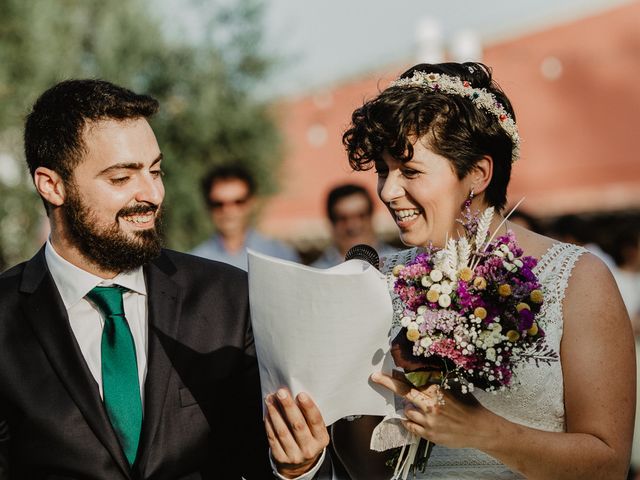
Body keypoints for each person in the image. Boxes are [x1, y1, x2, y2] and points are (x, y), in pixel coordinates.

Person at [0, 79, 328, 479]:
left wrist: (297, 467)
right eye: (121, 178)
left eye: (155, 171)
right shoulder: (5, 316)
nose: (152, 194)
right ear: (52, 185)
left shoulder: (228, 298)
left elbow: (258, 456)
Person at [328, 62, 634, 479]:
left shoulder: (578, 279)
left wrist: (483, 430)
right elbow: (371, 468)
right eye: (383, 170)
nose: (387, 191)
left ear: (477, 174)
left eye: (410, 171)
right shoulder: (378, 280)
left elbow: (610, 464)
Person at [191, 165, 300, 270]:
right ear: (207, 205)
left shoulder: (280, 256)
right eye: (219, 204)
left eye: (238, 202)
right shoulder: (194, 262)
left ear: (252, 202)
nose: (229, 210)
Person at [311, 183, 396, 268]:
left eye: (361, 216)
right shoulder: (316, 273)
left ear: (371, 216)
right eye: (343, 219)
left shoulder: (400, 263)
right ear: (331, 222)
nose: (353, 226)